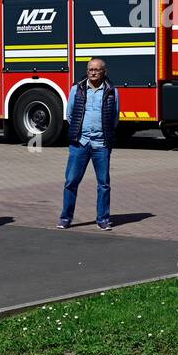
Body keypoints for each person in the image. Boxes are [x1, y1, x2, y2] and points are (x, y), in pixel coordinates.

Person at [58, 58, 118, 231]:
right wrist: (80, 132)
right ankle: (65, 218)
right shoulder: (77, 89)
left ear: (104, 72)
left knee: (104, 184)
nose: (93, 72)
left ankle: (103, 219)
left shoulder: (112, 91)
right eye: (90, 69)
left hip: (101, 144)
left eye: (97, 70)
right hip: (80, 143)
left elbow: (115, 117)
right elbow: (69, 114)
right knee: (71, 182)